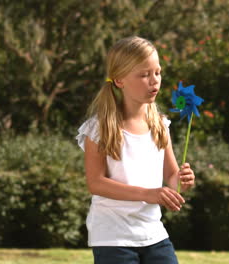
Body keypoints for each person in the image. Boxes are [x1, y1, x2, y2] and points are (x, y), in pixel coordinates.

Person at [76, 36, 195, 264]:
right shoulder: (100, 128)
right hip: (113, 237)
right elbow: (96, 183)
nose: (154, 81)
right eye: (144, 75)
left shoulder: (160, 125)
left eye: (157, 72)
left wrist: (182, 180)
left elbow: (171, 177)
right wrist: (148, 194)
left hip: (153, 233)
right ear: (119, 80)